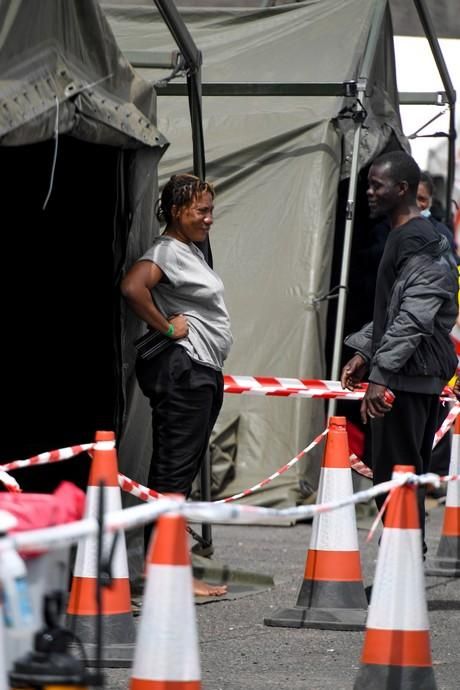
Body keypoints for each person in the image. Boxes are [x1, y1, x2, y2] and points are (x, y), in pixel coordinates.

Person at [121, 173, 233, 596]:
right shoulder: (166, 251)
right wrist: (167, 329)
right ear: (175, 211)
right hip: (185, 371)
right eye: (200, 210)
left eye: (210, 210)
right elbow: (133, 287)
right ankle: (165, 573)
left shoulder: (190, 250)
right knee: (173, 472)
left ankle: (165, 567)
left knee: (176, 472)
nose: (208, 218)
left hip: (198, 369)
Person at [340, 150, 458, 552]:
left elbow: (416, 315)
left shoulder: (420, 240)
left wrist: (381, 374)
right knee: (395, 481)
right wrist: (365, 351)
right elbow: (396, 310)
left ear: (402, 189)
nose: (369, 192)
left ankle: (403, 578)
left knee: (397, 482)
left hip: (408, 379)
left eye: (377, 185)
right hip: (407, 374)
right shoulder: (406, 237)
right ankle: (402, 574)